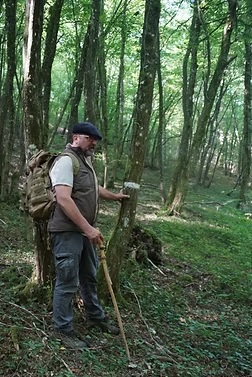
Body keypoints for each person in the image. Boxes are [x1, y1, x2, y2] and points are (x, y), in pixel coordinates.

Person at [48, 121, 129, 349]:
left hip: (84, 232)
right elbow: (63, 197)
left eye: (95, 140)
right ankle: (63, 329)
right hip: (67, 232)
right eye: (89, 138)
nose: (93, 142)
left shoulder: (85, 162)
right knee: (67, 282)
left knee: (89, 277)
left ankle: (95, 316)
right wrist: (88, 228)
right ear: (76, 137)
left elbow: (92, 187)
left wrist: (113, 196)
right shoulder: (66, 161)